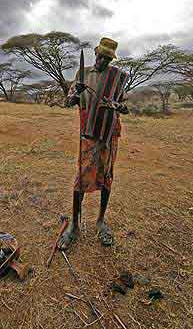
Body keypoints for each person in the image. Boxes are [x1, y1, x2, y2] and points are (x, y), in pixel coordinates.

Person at [58, 37, 129, 250]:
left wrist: (116, 105)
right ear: (95, 53)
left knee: (107, 177)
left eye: (107, 58)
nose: (102, 61)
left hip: (109, 134)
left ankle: (100, 221)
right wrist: (77, 93)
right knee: (81, 178)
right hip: (89, 134)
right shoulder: (83, 74)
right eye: (100, 56)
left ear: (111, 59)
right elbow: (68, 102)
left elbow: (124, 105)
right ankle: (75, 225)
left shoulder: (117, 77)